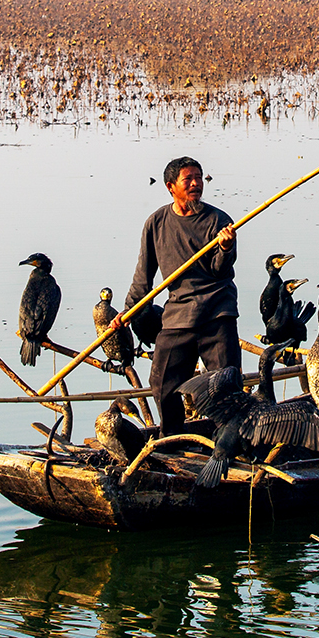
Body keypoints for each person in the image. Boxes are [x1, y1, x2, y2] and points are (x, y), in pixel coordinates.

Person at [116, 156, 238, 433]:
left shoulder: (219, 221)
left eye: (199, 178)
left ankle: (229, 441)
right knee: (162, 383)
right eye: (188, 179)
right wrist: (128, 311)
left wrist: (225, 247)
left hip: (217, 311)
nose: (196, 184)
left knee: (225, 384)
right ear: (171, 187)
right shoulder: (156, 223)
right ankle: (172, 438)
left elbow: (220, 271)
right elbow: (143, 275)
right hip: (178, 314)